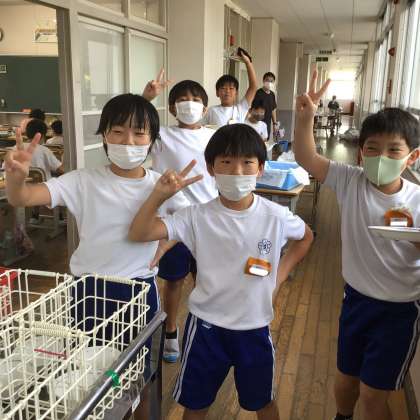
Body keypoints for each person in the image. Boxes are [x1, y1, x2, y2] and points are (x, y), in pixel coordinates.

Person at [4, 70, 184, 420]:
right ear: (104, 135)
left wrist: (162, 249)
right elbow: (23, 197)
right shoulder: (82, 181)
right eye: (117, 131)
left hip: (138, 290)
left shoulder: (160, 186)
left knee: (141, 376)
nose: (128, 141)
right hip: (87, 291)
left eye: (139, 133)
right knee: (90, 376)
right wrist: (15, 179)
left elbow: (184, 222)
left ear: (152, 139)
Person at [128, 124, 314, 420]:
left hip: (255, 326)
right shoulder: (196, 215)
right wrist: (158, 196)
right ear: (211, 168)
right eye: (226, 162)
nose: (236, 171)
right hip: (206, 327)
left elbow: (306, 237)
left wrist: (279, 277)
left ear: (261, 169)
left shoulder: (275, 216)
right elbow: (140, 232)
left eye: (247, 163)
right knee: (195, 405)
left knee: (264, 402)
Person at [294, 71, 420, 420]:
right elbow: (306, 157)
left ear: (412, 157)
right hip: (356, 300)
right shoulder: (351, 180)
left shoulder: (417, 200)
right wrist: (305, 119)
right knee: (346, 380)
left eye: (393, 150)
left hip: (400, 310)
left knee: (373, 394)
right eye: (372, 149)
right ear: (361, 153)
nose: (381, 157)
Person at [150, 80, 218, 363]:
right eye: (182, 99)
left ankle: (207, 329)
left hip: (209, 221)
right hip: (174, 222)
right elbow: (133, 123)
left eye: (195, 99)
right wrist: (146, 97)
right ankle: (170, 331)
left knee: (208, 279)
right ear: (171, 107)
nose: (189, 104)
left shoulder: (215, 136)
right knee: (174, 281)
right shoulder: (161, 136)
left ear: (205, 107)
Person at [202, 50, 257, 128]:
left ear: (236, 93)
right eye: (223, 88)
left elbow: (253, 87)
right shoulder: (211, 111)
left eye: (231, 88)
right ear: (217, 93)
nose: (227, 91)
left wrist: (248, 63)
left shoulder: (240, 109)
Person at [253, 72, 278, 138]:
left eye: (271, 81)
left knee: (266, 140)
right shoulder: (258, 93)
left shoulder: (272, 94)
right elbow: (253, 110)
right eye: (267, 80)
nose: (269, 83)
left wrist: (274, 124)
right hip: (258, 125)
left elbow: (273, 110)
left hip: (267, 124)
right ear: (263, 80)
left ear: (273, 82)